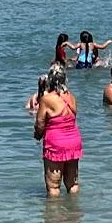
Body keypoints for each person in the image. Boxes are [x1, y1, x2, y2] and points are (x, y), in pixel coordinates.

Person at [34, 66, 81, 197]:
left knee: (53, 187)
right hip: (73, 141)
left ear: (50, 79)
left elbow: (40, 124)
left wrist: (37, 136)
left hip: (56, 143)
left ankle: (54, 217)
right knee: (73, 184)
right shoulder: (71, 97)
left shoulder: (47, 99)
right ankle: (74, 214)